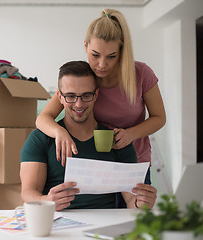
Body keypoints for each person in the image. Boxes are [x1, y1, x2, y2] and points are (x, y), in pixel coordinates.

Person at [35, 9, 166, 187]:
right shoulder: (83, 80)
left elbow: (159, 118)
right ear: (85, 46)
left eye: (111, 56)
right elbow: (43, 119)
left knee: (135, 214)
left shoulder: (141, 74)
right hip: (97, 167)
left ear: (121, 52)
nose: (102, 65)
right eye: (95, 55)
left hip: (134, 165)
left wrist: (131, 134)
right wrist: (60, 132)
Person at [20, 61, 157, 211]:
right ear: (59, 97)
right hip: (58, 224)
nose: (78, 104)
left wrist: (141, 202)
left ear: (96, 95)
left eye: (86, 95)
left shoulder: (116, 140)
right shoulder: (40, 139)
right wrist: (47, 200)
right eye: (70, 96)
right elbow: (27, 194)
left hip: (104, 227)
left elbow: (131, 200)